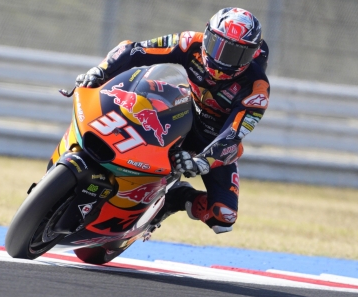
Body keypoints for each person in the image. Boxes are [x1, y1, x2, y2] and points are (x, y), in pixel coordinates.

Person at [76, 7, 270, 235]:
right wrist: (100, 71)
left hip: (210, 137)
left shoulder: (257, 90)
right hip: (178, 108)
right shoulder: (190, 43)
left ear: (253, 55)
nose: (223, 59)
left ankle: (176, 197)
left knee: (223, 216)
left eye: (237, 54)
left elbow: (233, 136)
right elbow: (134, 50)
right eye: (219, 46)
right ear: (207, 36)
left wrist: (202, 162)